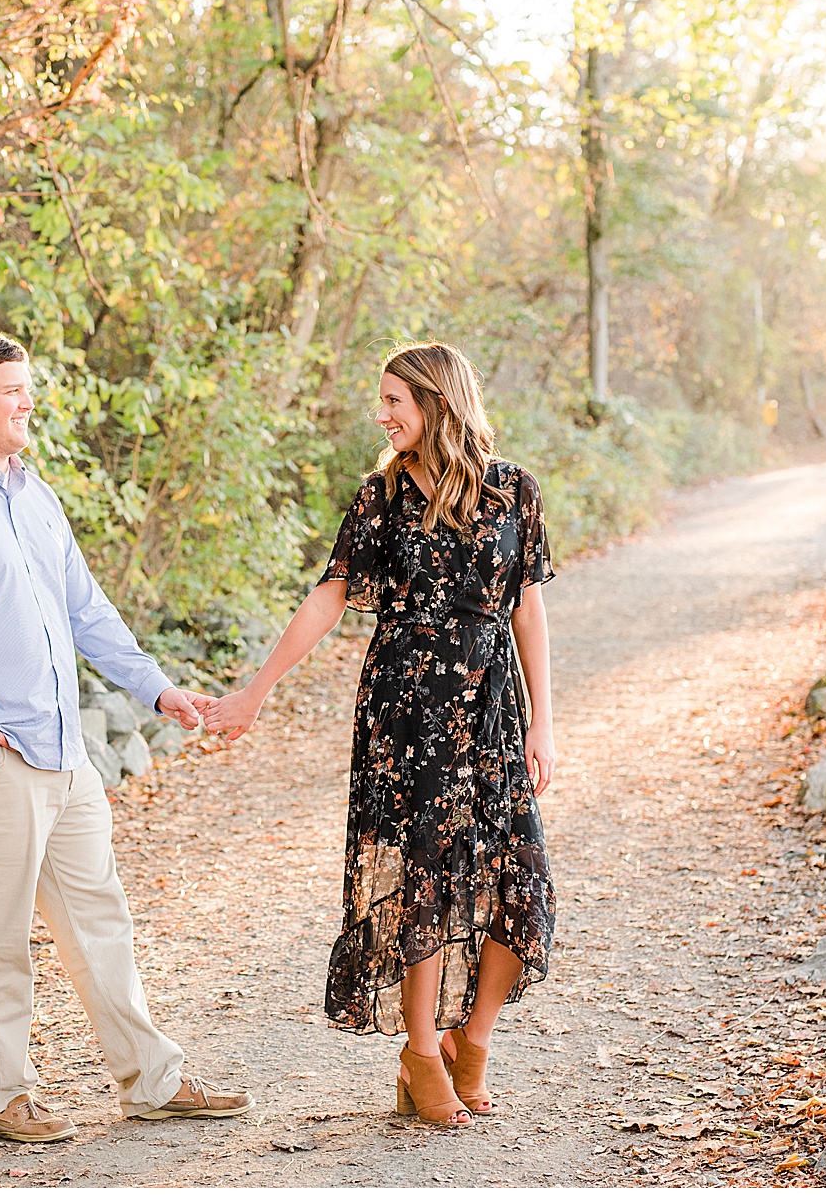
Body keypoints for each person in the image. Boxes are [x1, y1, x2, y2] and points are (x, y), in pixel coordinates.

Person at [0, 331, 251, 1143]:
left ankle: (154, 1079)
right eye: (11, 390)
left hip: (64, 751)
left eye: (27, 388)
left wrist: (155, 686)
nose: (27, 402)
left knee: (99, 920)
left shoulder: (34, 496)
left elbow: (85, 610)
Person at [204, 342, 557, 1127]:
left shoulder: (513, 490)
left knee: (521, 886)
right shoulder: (380, 497)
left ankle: (472, 1042)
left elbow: (527, 606)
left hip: (491, 708)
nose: (383, 413)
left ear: (436, 401)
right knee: (423, 879)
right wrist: (255, 690)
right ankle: (422, 1051)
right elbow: (328, 597)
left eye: (394, 399)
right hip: (404, 708)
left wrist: (544, 719)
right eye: (382, 400)